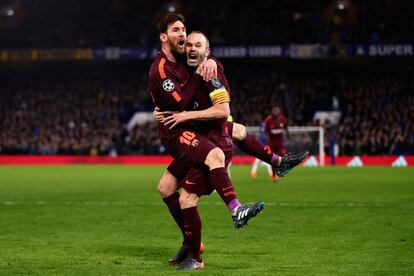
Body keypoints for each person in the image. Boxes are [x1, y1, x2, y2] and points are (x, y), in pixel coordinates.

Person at [150, 13, 308, 269]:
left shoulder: (211, 71)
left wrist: (208, 64)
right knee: (166, 187)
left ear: (208, 50)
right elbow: (232, 126)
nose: (186, 41)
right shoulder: (176, 65)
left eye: (191, 38)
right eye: (181, 35)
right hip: (193, 135)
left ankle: (222, 225)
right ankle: (276, 162)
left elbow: (222, 111)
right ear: (164, 37)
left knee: (189, 194)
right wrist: (159, 108)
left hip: (203, 141)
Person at [264, 105, 290, 180]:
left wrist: (288, 135)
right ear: (272, 112)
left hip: (280, 142)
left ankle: (280, 170)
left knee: (282, 155)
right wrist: (268, 139)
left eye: (277, 111)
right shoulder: (268, 120)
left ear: (279, 112)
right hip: (272, 143)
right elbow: (265, 131)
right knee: (273, 159)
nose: (275, 112)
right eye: (274, 111)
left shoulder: (282, 118)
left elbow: (286, 127)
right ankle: (273, 175)